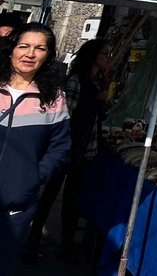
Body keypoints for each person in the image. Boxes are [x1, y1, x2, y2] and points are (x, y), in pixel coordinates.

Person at [24, 39, 110, 262]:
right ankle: (32, 241)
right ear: (93, 55)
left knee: (73, 198)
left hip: (85, 149)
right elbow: (66, 116)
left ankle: (66, 245)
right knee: (50, 196)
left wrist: (102, 100)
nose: (108, 58)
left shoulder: (98, 81)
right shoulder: (76, 81)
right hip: (68, 148)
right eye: (105, 53)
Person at [0, 24, 70, 276]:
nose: (30, 54)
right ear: (11, 50)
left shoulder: (54, 98)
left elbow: (60, 148)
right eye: (24, 46)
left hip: (15, 205)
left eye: (40, 48)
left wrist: (33, 176)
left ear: (47, 56)